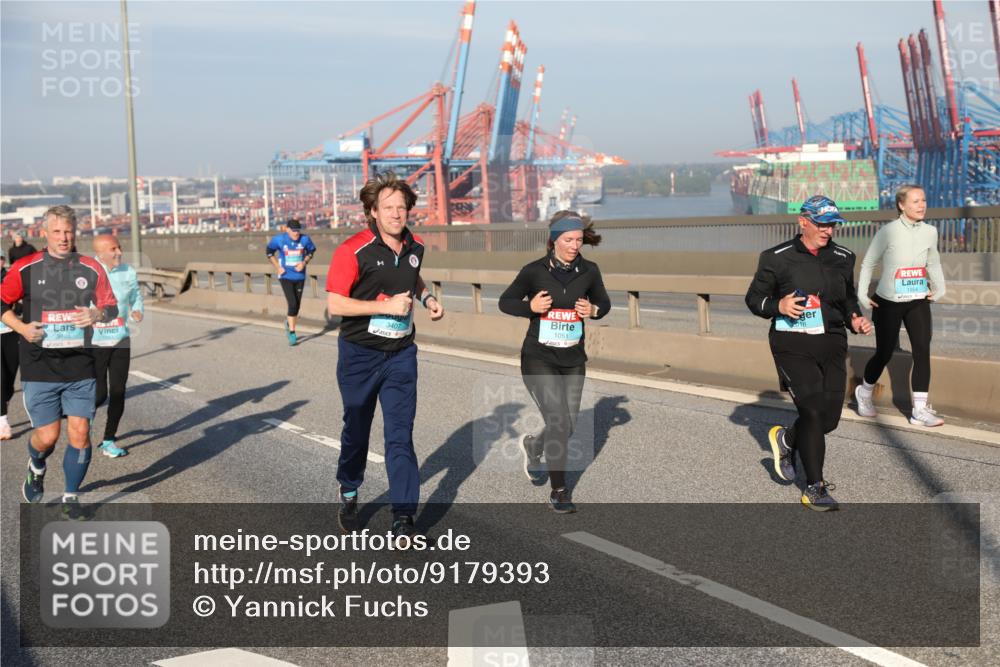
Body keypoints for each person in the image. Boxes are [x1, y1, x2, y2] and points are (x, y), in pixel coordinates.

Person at [325, 172, 444, 544]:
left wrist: (427, 299)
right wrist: (387, 305)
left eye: (402, 208)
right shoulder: (352, 250)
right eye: (388, 208)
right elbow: (334, 304)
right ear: (373, 211)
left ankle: (404, 516)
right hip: (359, 355)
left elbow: (413, 278)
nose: (396, 214)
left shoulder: (415, 246)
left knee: (399, 435)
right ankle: (349, 490)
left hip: (401, 354)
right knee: (357, 429)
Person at [745, 195, 872, 511]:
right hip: (792, 345)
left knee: (828, 420)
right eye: (822, 224)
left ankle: (787, 439)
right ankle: (814, 488)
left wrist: (854, 318)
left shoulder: (844, 256)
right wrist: (779, 306)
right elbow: (754, 300)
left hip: (831, 343)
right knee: (813, 412)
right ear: (803, 221)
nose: (828, 231)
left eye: (832, 225)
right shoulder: (776, 257)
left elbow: (846, 299)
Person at [0, 205, 118, 520]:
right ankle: (36, 465)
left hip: (80, 364)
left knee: (80, 432)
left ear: (75, 232)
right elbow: (2, 305)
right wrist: (23, 328)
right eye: (56, 232)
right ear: (45, 233)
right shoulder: (26, 267)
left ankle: (70, 496)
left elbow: (111, 307)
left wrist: (96, 313)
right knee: (48, 436)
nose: (63, 238)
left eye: (68, 231)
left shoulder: (91, 268)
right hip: (39, 364)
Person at [499, 211, 610, 514]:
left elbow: (605, 303)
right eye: (568, 239)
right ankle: (559, 490)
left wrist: (594, 309)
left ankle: (535, 446)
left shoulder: (589, 271)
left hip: (573, 359)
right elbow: (505, 301)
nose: (575, 245)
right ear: (554, 240)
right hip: (539, 358)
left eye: (578, 240)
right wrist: (530, 307)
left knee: (567, 424)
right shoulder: (534, 271)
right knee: (560, 421)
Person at [854, 185, 945, 427]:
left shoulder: (930, 232)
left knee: (922, 350)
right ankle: (864, 392)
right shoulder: (888, 232)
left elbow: (933, 261)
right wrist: (863, 295)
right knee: (884, 353)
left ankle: (920, 410)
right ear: (901, 205)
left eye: (924, 200)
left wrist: (940, 288)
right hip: (888, 302)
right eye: (915, 201)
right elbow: (869, 263)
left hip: (917, 299)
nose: (921, 205)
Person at [91, 234, 144, 457]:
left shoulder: (128, 271)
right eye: (113, 249)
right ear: (100, 253)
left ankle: (108, 440)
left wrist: (137, 309)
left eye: (119, 247)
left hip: (121, 339)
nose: (119, 252)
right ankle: (82, 425)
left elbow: (135, 296)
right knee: (99, 393)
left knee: (119, 391)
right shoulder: (89, 272)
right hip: (95, 341)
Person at [266, 218, 316, 346]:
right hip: (285, 276)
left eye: (298, 231)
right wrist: (278, 267)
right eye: (293, 231)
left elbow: (311, 251)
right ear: (287, 229)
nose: (296, 233)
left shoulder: (305, 239)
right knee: (292, 303)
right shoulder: (279, 240)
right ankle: (292, 333)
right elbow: (269, 252)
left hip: (299, 276)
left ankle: (289, 322)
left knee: (297, 306)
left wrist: (304, 262)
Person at [1, 256, 20, 440]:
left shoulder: (11, 278)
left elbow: (22, 303)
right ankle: (3, 421)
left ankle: (4, 399)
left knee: (9, 380)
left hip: (11, 333)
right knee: (0, 377)